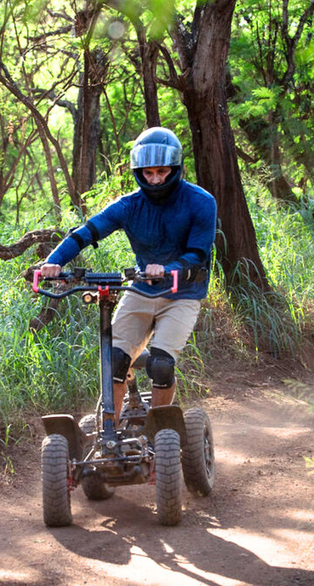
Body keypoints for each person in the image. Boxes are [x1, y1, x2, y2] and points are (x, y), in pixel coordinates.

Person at [38, 127, 217, 433]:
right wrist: (54, 261)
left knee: (161, 365)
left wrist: (169, 267)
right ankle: (110, 434)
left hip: (183, 293)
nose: (156, 179)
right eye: (148, 172)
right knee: (115, 361)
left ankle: (159, 434)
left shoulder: (201, 202)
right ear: (139, 171)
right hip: (142, 288)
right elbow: (87, 232)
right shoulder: (129, 205)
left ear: (175, 168)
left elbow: (198, 255)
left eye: (162, 171)